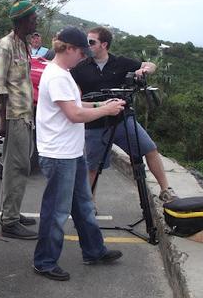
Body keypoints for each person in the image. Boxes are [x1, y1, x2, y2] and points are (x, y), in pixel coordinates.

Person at [34, 26, 125, 281]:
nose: (83, 58)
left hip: (70, 152)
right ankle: (44, 261)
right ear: (70, 49)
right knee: (56, 211)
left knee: (83, 206)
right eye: (81, 53)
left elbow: (75, 104)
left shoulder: (62, 73)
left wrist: (99, 104)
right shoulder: (57, 76)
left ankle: (94, 250)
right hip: (59, 154)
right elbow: (74, 115)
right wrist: (106, 112)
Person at [71, 26, 177, 203]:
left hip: (122, 120)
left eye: (91, 42)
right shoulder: (80, 67)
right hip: (94, 124)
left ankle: (165, 189)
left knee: (149, 148)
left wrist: (143, 71)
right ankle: (89, 206)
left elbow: (151, 65)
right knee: (92, 168)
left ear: (104, 44)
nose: (87, 45)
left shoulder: (120, 62)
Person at [0, 0, 38, 240]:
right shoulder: (5, 46)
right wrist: (2, 123)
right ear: (22, 21)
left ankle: (13, 213)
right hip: (13, 116)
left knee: (21, 166)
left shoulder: (23, 44)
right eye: (32, 18)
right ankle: (9, 221)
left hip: (24, 116)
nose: (35, 21)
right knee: (16, 167)